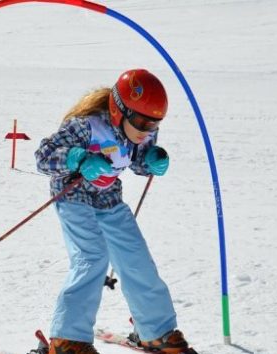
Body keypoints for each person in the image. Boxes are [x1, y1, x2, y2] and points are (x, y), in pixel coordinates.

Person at [34, 69, 197, 354]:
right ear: (118, 109)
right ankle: (67, 340)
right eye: (142, 122)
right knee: (92, 257)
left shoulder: (142, 132)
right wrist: (79, 157)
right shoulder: (86, 127)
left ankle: (156, 332)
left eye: (154, 123)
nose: (146, 130)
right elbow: (44, 156)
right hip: (74, 196)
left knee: (137, 259)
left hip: (108, 200)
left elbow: (136, 161)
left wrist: (151, 159)